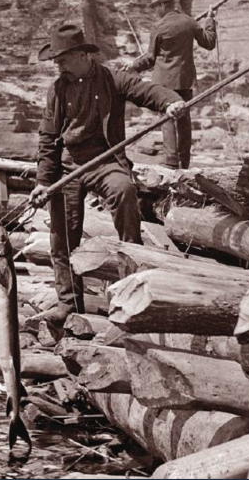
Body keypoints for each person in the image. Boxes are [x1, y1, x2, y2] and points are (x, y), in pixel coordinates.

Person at [30, 24, 186, 324]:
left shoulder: (111, 78)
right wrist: (42, 182)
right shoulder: (57, 90)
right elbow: (48, 140)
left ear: (80, 56)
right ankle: (69, 302)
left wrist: (170, 102)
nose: (58, 67)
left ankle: (131, 282)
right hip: (68, 165)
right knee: (62, 234)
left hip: (104, 160)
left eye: (62, 60)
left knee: (124, 190)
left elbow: (145, 90)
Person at [122, 0, 217, 169]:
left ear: (164, 5)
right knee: (184, 119)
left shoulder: (159, 27)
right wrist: (210, 20)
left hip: (163, 83)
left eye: (155, 7)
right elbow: (209, 43)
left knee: (166, 118)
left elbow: (150, 58)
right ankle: (184, 161)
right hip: (184, 81)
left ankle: (171, 161)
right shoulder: (189, 22)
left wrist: (134, 66)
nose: (154, 11)